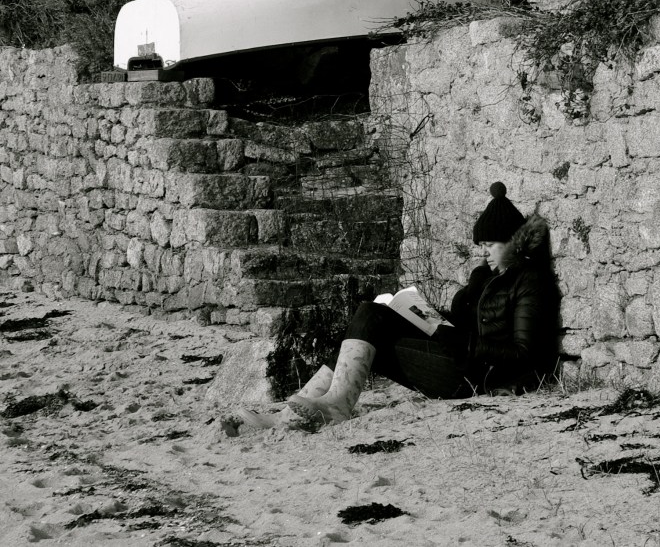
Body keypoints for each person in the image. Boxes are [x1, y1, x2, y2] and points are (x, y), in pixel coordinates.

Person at [227, 181, 561, 435]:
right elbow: (463, 323)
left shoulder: (529, 281)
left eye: (490, 245)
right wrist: (428, 316)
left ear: (512, 244)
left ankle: (336, 405)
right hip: (458, 357)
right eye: (481, 246)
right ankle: (295, 413)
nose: (484, 253)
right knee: (372, 313)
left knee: (373, 328)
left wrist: (464, 342)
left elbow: (524, 353)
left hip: (476, 376)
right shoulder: (484, 277)